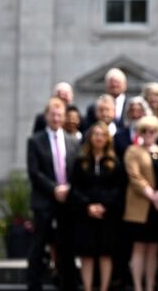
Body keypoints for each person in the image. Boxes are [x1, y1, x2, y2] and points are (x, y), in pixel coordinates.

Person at [26, 97, 79, 291]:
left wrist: (68, 189)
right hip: (44, 201)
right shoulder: (35, 140)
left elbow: (77, 171)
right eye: (53, 114)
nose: (56, 118)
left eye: (60, 115)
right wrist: (54, 189)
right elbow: (34, 172)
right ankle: (34, 285)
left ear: (64, 117)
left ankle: (68, 285)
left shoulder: (73, 141)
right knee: (38, 247)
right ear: (46, 116)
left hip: (67, 202)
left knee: (66, 247)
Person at [69, 122, 125, 291]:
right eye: (96, 134)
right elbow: (75, 187)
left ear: (107, 138)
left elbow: (119, 188)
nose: (99, 137)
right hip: (86, 215)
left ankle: (104, 287)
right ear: (90, 138)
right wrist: (88, 206)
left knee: (105, 254)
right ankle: (87, 287)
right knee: (87, 255)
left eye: (102, 134)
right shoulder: (81, 161)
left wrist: (104, 206)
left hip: (107, 215)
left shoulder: (114, 161)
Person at [123, 115, 158, 291]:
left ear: (157, 132)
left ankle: (150, 286)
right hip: (141, 206)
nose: (149, 134)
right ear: (140, 132)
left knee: (153, 249)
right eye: (145, 131)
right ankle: (137, 286)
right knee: (139, 247)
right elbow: (135, 177)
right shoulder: (133, 151)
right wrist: (153, 196)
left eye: (152, 131)